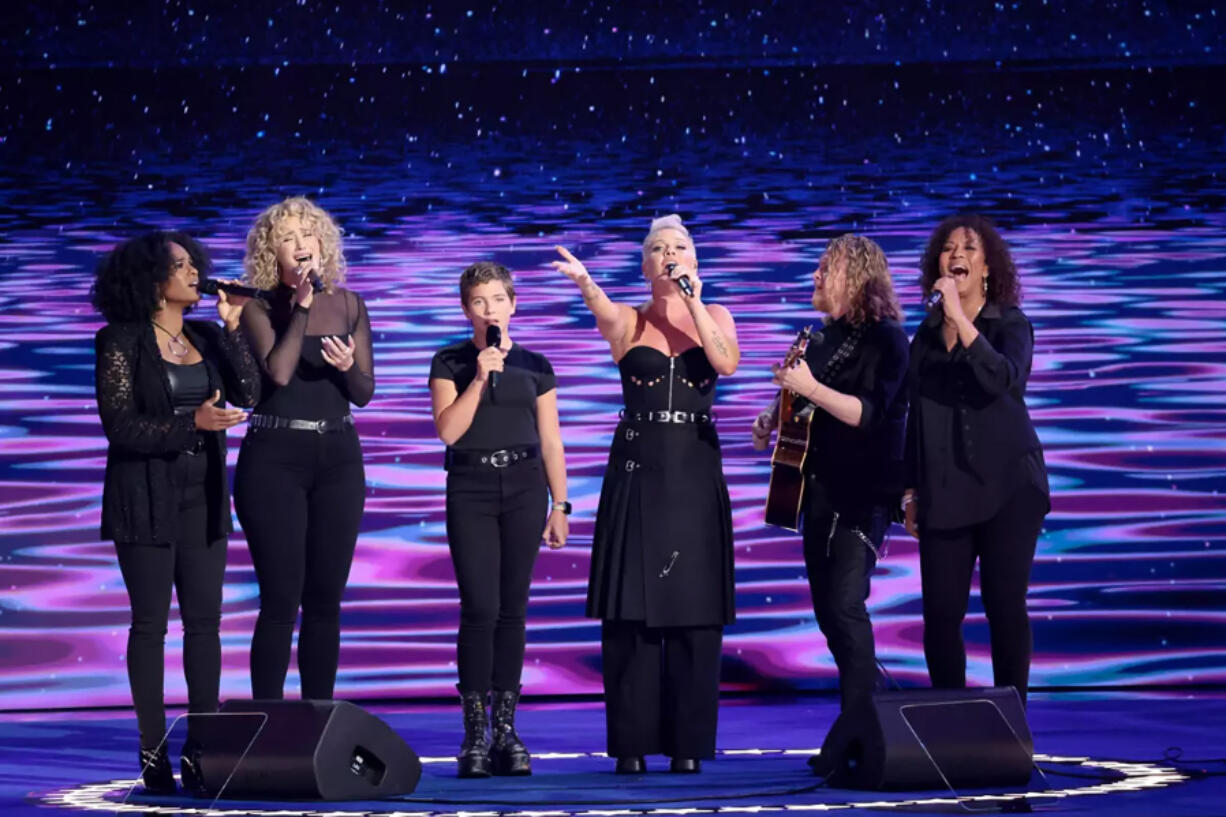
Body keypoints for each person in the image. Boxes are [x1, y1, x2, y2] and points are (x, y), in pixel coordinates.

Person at [553, 214, 739, 775]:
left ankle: (687, 744)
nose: (669, 255)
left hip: (694, 464)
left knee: (693, 605)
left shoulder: (718, 315)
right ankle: (631, 744)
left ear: (695, 261)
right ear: (645, 265)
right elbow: (602, 310)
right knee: (631, 606)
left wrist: (697, 304)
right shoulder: (629, 322)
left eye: (679, 247)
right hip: (637, 464)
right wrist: (586, 282)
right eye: (658, 249)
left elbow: (725, 361)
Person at [92, 231, 259, 794]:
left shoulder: (208, 335)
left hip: (204, 494)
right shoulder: (120, 341)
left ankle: (202, 749)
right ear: (152, 281)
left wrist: (234, 327)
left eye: (194, 264)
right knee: (151, 625)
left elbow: (251, 391)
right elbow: (120, 425)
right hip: (144, 496)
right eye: (182, 266)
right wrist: (191, 425)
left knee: (205, 626)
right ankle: (153, 749)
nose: (195, 274)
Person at [752, 234, 908, 772]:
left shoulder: (889, 340)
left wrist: (809, 389)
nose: (816, 276)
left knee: (844, 607)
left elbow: (868, 414)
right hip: (816, 492)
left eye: (827, 268)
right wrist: (773, 415)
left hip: (863, 495)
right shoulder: (819, 338)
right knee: (829, 614)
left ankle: (858, 731)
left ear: (858, 278)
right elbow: (801, 393)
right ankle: (863, 721)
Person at [429, 262, 570, 778]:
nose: (490, 310)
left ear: (514, 304)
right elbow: (448, 431)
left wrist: (561, 504)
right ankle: (474, 733)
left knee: (513, 606)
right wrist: (480, 376)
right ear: (467, 309)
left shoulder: (536, 364)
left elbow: (551, 438)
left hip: (526, 486)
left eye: (497, 300)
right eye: (479, 302)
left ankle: (507, 730)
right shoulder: (449, 361)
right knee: (480, 606)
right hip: (470, 487)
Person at [902, 214, 1049, 704]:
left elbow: (1005, 381)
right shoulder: (922, 338)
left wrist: (961, 320)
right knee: (941, 614)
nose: (956, 256)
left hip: (1010, 487)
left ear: (987, 267)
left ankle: (1012, 726)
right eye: (947, 249)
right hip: (945, 490)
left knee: (1004, 605)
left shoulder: (1010, 323)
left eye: (968, 248)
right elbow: (914, 415)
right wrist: (910, 488)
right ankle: (951, 722)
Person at [234, 196, 374, 701]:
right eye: (287, 238)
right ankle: (265, 725)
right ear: (272, 251)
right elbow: (279, 371)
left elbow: (363, 392)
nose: (300, 246)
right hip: (275, 457)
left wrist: (345, 368)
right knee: (280, 598)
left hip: (337, 455)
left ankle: (318, 720)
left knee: (324, 599)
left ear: (323, 243)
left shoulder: (352, 304)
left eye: (307, 236)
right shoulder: (258, 306)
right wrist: (302, 307)